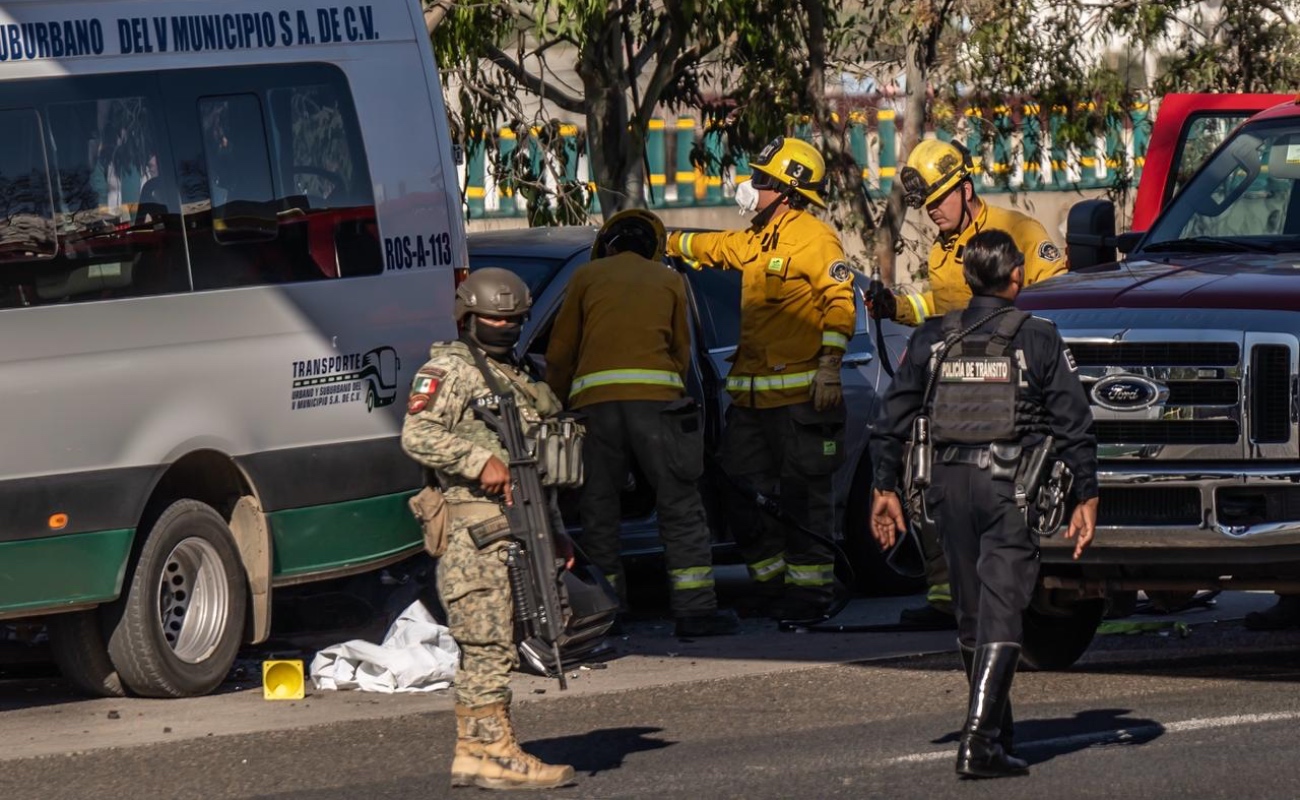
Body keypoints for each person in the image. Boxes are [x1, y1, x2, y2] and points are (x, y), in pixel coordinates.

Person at [868, 229, 1099, 779]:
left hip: (946, 490)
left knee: (971, 611)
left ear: (969, 278)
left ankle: (999, 730)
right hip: (1008, 490)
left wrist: (883, 489)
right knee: (1002, 607)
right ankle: (978, 742)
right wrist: (1086, 494)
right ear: (1016, 277)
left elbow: (891, 420)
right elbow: (1074, 422)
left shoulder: (931, 339)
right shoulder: (1038, 337)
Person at [870, 138, 1068, 630]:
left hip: (1013, 394)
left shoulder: (1017, 229)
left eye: (939, 199)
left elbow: (1060, 295)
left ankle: (1020, 597)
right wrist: (895, 307)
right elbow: (941, 311)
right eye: (926, 204)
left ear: (966, 186)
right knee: (931, 487)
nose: (932, 211)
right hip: (958, 394)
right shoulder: (942, 252)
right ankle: (948, 597)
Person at [665, 135, 854, 621]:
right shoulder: (756, 238)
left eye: (763, 180)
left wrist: (830, 367)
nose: (752, 187)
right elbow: (709, 247)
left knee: (805, 499)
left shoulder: (815, 239)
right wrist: (658, 237)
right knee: (739, 490)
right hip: (750, 404)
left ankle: (811, 596)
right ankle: (771, 585)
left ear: (788, 192)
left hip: (800, 404)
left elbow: (839, 302)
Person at [401, 268, 575, 791]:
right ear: (466, 317)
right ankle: (490, 751)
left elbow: (534, 467)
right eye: (492, 318)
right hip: (474, 533)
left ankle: (478, 749)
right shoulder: (448, 371)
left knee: (506, 641)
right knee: (486, 645)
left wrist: (557, 530)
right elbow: (417, 434)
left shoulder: (516, 374)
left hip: (520, 527)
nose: (503, 326)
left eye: (513, 320)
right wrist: (477, 461)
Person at [545, 209, 739, 638]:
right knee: (681, 507)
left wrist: (554, 406)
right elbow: (681, 353)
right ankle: (695, 611)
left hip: (597, 409)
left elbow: (560, 352)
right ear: (652, 247)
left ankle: (607, 613)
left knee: (599, 510)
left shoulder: (585, 279)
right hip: (658, 408)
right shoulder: (669, 280)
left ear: (608, 246)